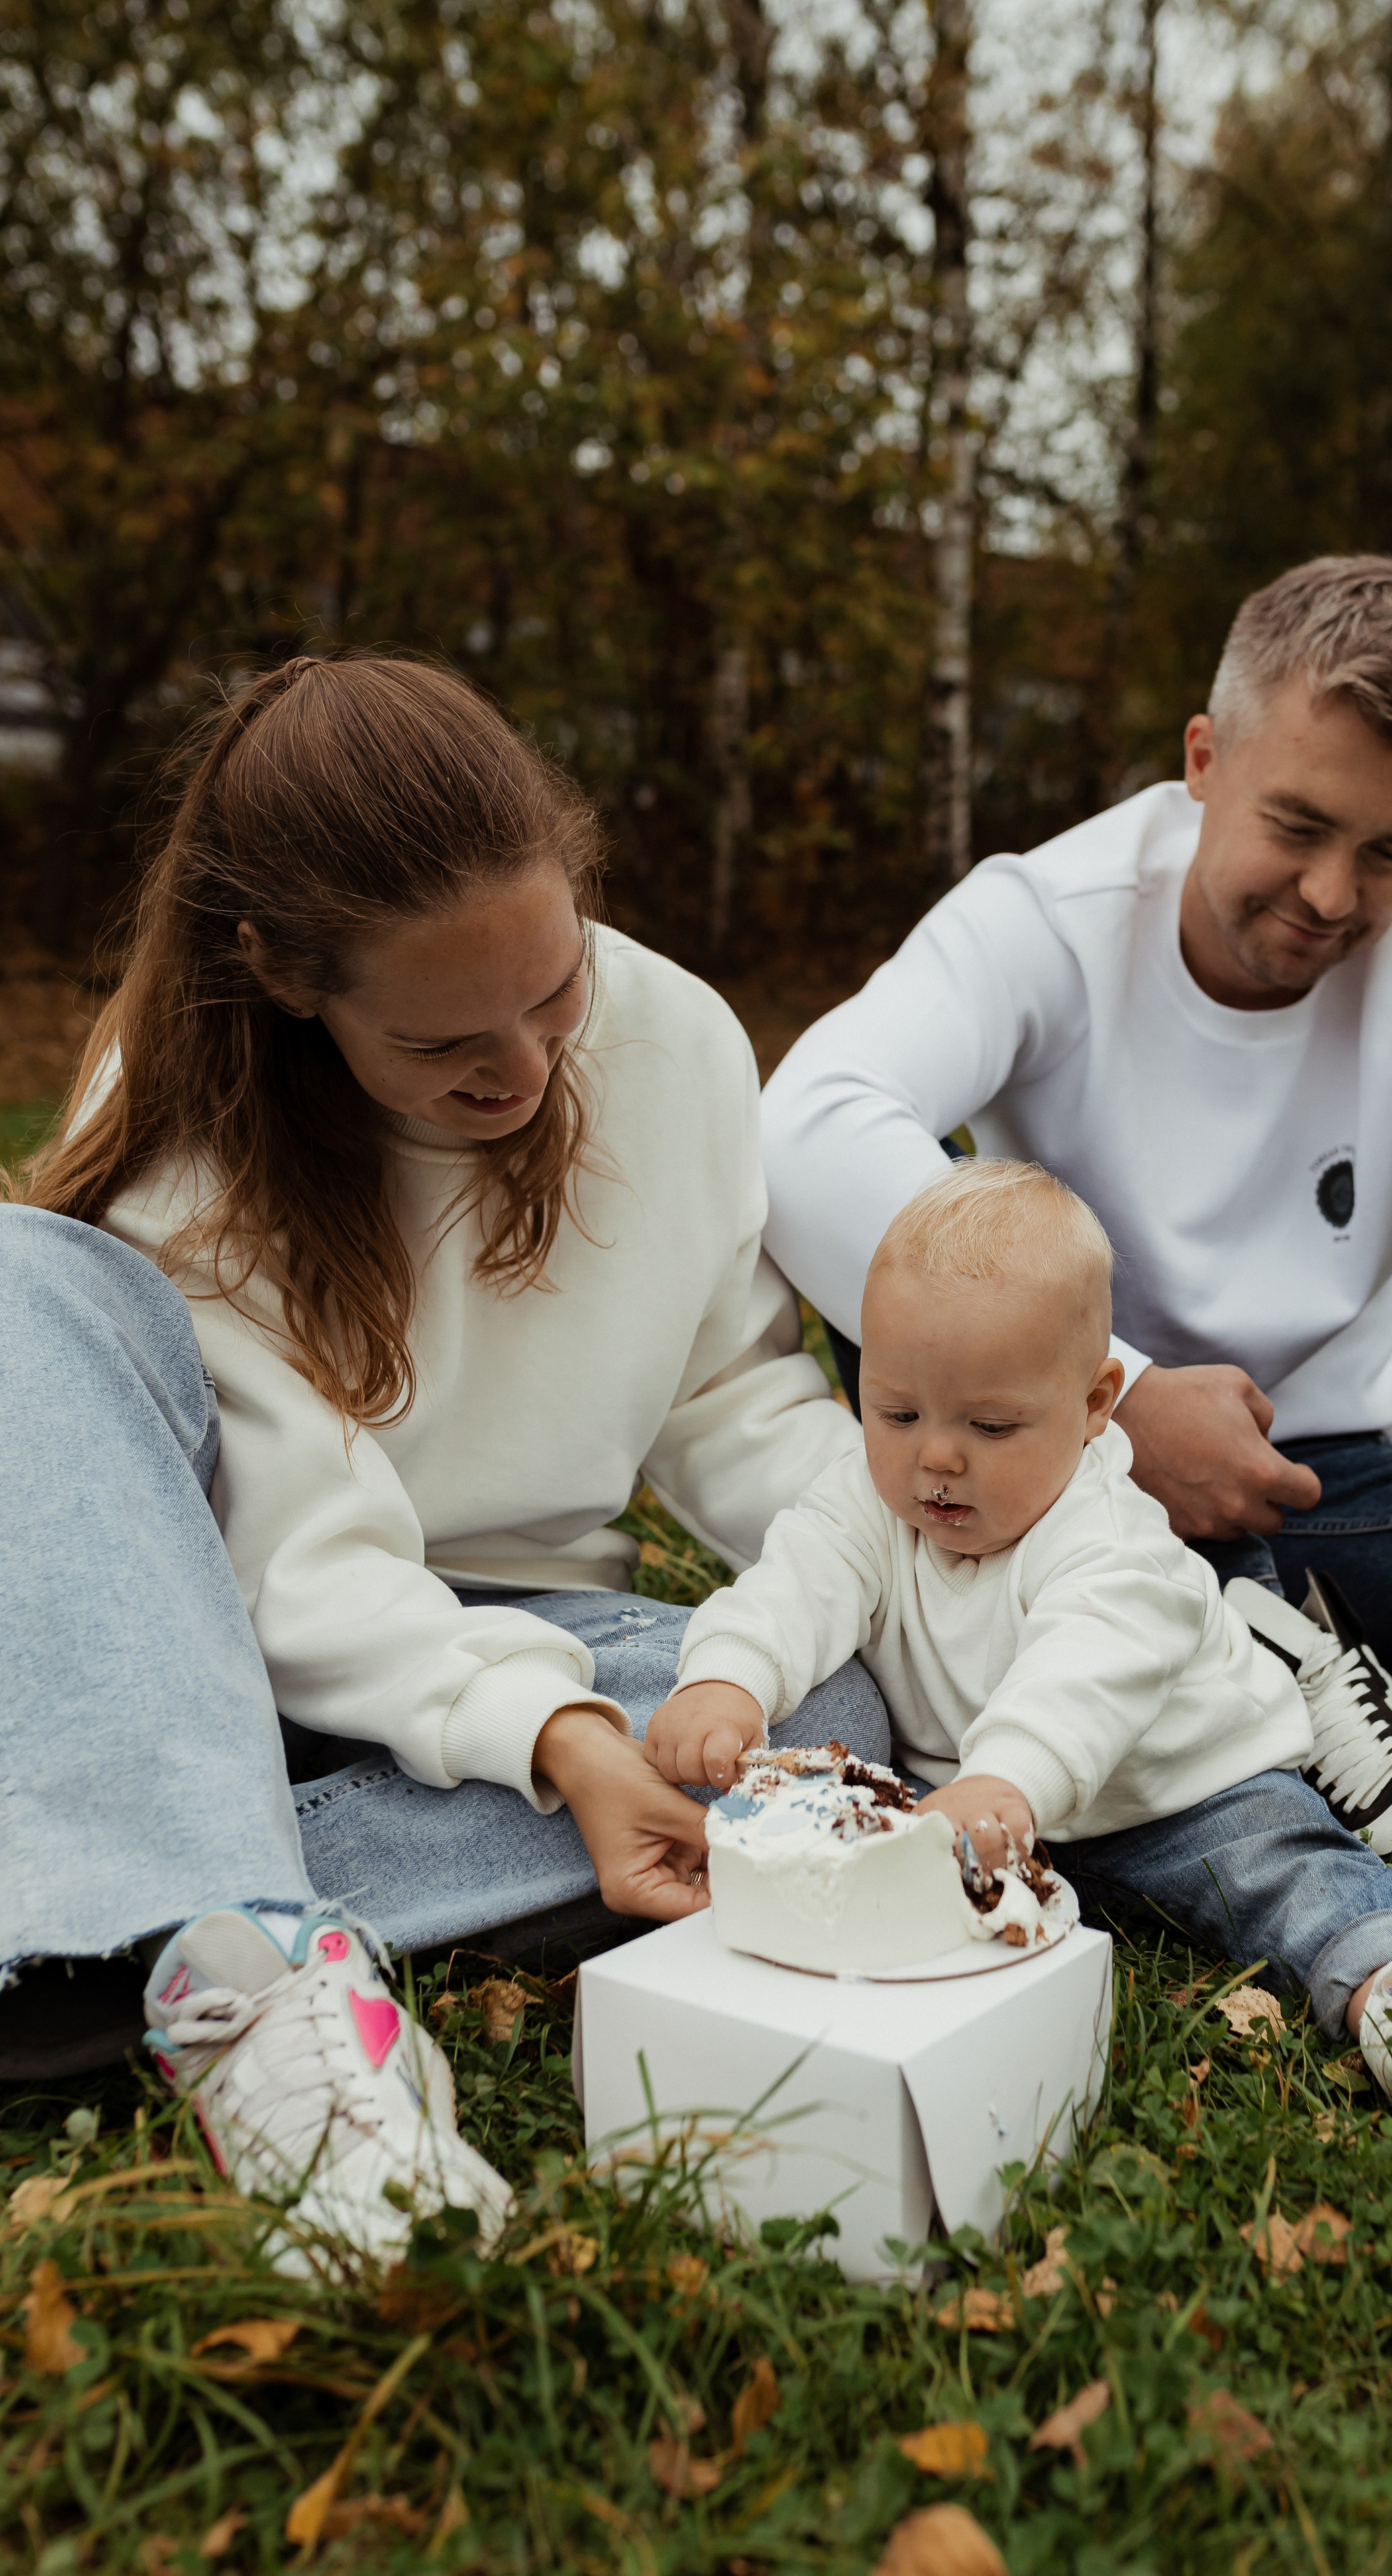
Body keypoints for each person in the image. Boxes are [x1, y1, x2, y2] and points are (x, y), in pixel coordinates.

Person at [1, 651, 884, 2269]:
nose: (528, 1069)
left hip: (529, 1630)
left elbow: (738, 1403)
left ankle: (122, 1918)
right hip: (228, 1645)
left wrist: (910, 1553)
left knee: (816, 1708)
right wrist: (551, 1741)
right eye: (444, 1042)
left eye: (552, 996)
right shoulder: (183, 1101)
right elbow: (298, 1564)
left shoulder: (675, 1035)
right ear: (283, 975)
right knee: (18, 1278)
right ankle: (238, 1965)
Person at [757, 555, 1392, 1925]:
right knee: (925, 1286)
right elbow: (806, 1125)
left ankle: (1306, 1657)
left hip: (1329, 1503)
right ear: (1202, 758)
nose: (1333, 892)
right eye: (1298, 824)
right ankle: (1291, 1685)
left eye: (1389, 851)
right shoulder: (1047, 915)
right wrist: (1125, 1403)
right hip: (1042, 1509)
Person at [647, 1160, 1392, 2105]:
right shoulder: (874, 1496)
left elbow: (1083, 1672)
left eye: (989, 1424)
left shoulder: (1109, 1535)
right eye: (896, 1411)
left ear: (1096, 1403)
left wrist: (1005, 1781)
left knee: (1281, 1865)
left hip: (1174, 1789)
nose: (935, 1455)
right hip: (976, 1805)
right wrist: (727, 1677)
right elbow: (794, 1582)